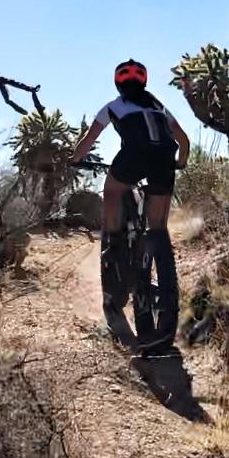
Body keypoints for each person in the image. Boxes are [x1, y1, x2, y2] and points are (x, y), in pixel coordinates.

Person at [70, 59, 189, 357]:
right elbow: (183, 140)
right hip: (164, 160)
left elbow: (88, 141)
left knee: (112, 191)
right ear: (144, 82)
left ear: (118, 83)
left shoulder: (113, 105)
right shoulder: (158, 106)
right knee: (157, 226)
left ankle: (112, 239)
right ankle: (155, 246)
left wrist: (74, 160)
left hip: (132, 158)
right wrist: (181, 163)